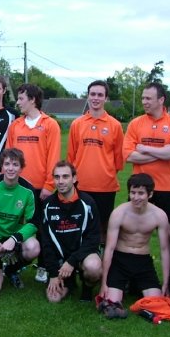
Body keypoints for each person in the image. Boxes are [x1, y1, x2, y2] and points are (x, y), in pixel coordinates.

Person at [6, 83, 61, 283]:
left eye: (21, 98)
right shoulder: (16, 125)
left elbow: (53, 157)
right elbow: (9, 156)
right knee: (20, 228)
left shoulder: (50, 124)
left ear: (32, 100)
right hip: (19, 188)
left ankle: (44, 266)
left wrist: (49, 185)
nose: (17, 102)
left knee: (43, 229)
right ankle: (13, 265)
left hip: (41, 188)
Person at [99, 173, 170, 319]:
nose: (136, 197)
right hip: (120, 259)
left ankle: (134, 288)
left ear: (150, 194)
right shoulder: (119, 213)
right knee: (111, 302)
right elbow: (110, 248)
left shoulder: (159, 215)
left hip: (143, 261)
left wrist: (166, 282)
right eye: (133, 192)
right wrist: (104, 283)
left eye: (141, 193)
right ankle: (125, 289)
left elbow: (164, 250)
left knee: (157, 303)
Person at [123, 82, 170, 236]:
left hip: (168, 187)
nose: (144, 102)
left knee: (169, 233)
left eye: (148, 98)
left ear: (161, 100)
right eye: (143, 98)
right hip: (139, 188)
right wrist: (164, 152)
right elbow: (129, 156)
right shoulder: (135, 124)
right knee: (133, 231)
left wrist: (146, 149)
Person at [67, 80, 123, 243]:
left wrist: (105, 173)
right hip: (81, 185)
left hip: (106, 187)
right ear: (88, 96)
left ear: (106, 98)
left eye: (100, 95)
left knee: (103, 227)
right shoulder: (77, 124)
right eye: (93, 94)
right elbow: (71, 156)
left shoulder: (115, 126)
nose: (96, 98)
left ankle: (101, 264)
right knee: (79, 224)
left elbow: (119, 160)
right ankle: (79, 262)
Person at [41, 161, 102, 303]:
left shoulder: (87, 203)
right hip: (60, 262)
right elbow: (46, 242)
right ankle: (69, 283)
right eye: (57, 177)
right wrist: (52, 274)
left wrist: (72, 261)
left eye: (65, 177)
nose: (60, 181)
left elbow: (93, 239)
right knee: (53, 299)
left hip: (81, 257)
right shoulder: (48, 205)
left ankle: (87, 289)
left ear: (74, 179)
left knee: (93, 267)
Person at [0, 148, 40, 290]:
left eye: (15, 164)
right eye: (7, 164)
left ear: (21, 167)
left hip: (13, 238)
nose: (10, 168)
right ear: (1, 166)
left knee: (34, 248)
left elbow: (33, 222)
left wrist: (14, 239)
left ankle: (12, 270)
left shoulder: (29, 191)